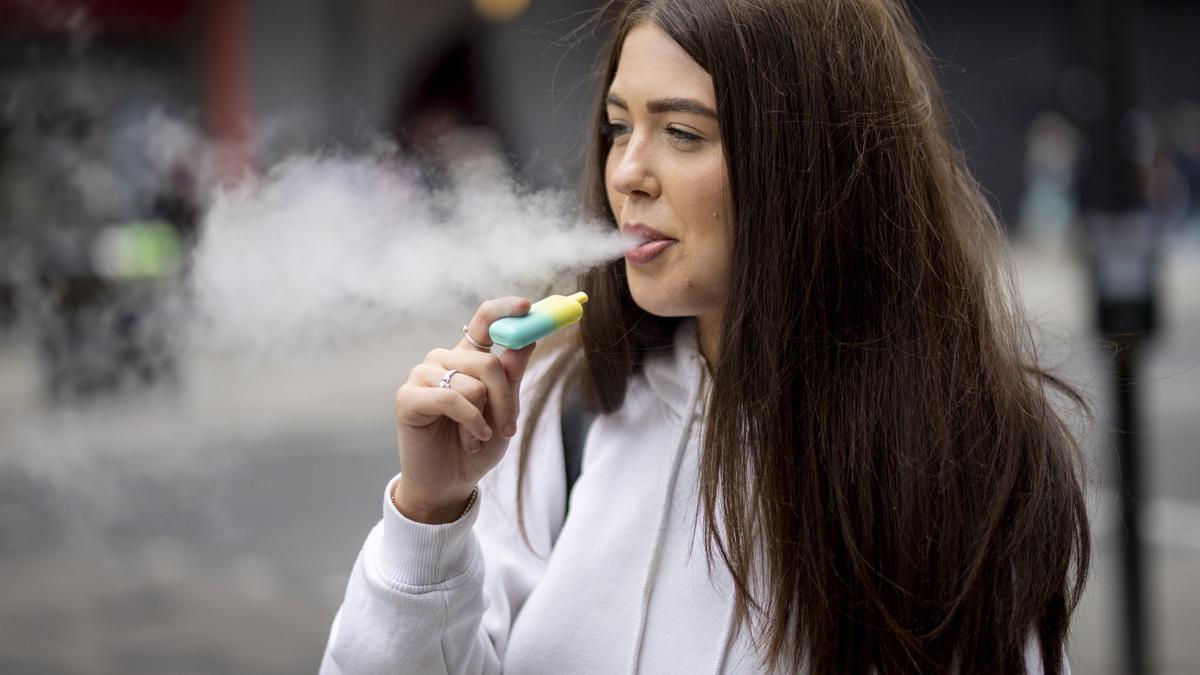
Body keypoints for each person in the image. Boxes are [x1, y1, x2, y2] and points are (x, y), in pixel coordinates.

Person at [320, 0, 1091, 672]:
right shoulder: (561, 411)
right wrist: (430, 515)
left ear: (807, 160)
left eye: (682, 133)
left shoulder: (965, 457)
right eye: (619, 127)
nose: (627, 172)